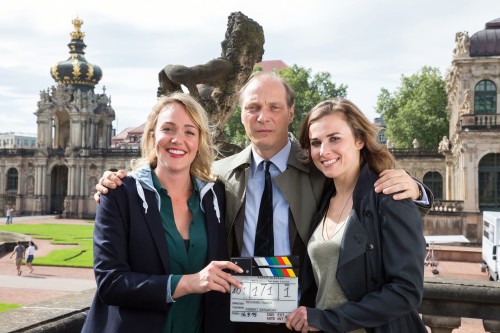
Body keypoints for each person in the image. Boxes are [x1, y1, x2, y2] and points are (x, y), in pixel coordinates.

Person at [95, 72, 431, 333]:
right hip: (235, 319)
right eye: (253, 107)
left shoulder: (319, 166)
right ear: (241, 114)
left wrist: (418, 189)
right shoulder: (217, 177)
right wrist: (116, 181)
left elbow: (361, 181)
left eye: (273, 107)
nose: (262, 117)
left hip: (304, 319)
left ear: (290, 112)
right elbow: (170, 172)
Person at [82, 93, 243, 333]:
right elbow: (110, 283)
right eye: (168, 129)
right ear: (152, 136)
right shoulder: (118, 193)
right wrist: (189, 282)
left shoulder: (215, 196)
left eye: (190, 131)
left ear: (199, 141)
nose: (178, 140)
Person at [285, 99, 427, 332]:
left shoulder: (390, 196)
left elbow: (406, 291)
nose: (324, 151)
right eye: (315, 142)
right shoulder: (324, 197)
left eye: (335, 138)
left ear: (360, 139)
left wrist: (326, 319)